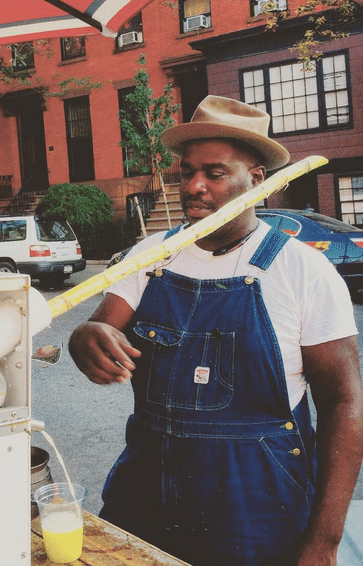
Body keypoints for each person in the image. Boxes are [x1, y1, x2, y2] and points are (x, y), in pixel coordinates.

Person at [69, 95, 363, 566]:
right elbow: (100, 326)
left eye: (215, 172)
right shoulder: (150, 256)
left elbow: (345, 401)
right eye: (186, 172)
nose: (194, 186)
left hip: (257, 505)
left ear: (257, 181)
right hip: (147, 488)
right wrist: (84, 336)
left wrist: (325, 538)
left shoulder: (303, 270)